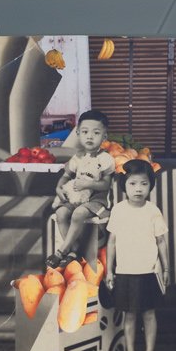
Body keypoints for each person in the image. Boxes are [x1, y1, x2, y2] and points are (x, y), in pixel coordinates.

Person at [106, 157, 170, 351]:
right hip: (125, 271)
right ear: (124, 185)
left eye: (144, 183)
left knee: (149, 315)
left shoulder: (153, 211)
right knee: (130, 316)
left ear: (150, 185)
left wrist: (166, 268)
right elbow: (112, 242)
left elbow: (161, 241)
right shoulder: (118, 210)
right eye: (133, 183)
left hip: (149, 272)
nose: (138, 189)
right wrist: (109, 270)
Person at [47, 108, 111, 265]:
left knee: (78, 213)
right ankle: (74, 251)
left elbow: (106, 184)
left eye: (96, 133)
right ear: (78, 134)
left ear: (104, 136)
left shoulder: (106, 158)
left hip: (96, 200)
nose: (90, 136)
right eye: (85, 132)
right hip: (76, 197)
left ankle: (62, 251)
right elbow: (65, 176)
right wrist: (59, 188)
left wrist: (88, 183)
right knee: (61, 213)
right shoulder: (76, 158)